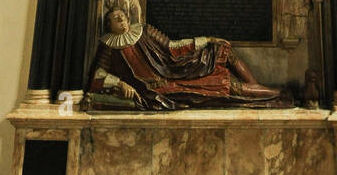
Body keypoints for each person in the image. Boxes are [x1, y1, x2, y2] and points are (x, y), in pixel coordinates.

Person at [88, 9, 286, 110]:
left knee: (221, 48)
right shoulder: (108, 46)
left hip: (176, 69)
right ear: (109, 24)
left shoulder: (145, 30)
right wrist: (121, 83)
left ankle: (268, 92)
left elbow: (172, 47)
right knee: (229, 89)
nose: (121, 18)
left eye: (122, 14)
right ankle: (278, 95)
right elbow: (98, 74)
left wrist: (206, 40)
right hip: (159, 90)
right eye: (116, 17)